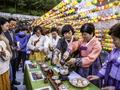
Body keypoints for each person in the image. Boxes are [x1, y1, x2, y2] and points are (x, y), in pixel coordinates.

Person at [87, 23, 120, 90]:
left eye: (115, 39)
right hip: (109, 82)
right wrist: (98, 75)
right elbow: (107, 65)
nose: (113, 42)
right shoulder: (114, 51)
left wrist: (116, 88)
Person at [4, 18, 20, 85]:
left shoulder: (13, 32)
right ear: (8, 23)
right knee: (9, 71)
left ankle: (14, 80)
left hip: (15, 54)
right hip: (9, 55)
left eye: (14, 25)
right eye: (12, 24)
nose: (13, 26)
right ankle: (10, 84)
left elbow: (14, 41)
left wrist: (17, 45)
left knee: (14, 69)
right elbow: (4, 44)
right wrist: (10, 47)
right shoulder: (4, 33)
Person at [0, 17, 12, 90]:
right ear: (1, 26)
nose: (8, 28)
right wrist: (7, 53)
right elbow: (5, 55)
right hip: (2, 69)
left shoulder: (2, 35)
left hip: (4, 67)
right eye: (6, 26)